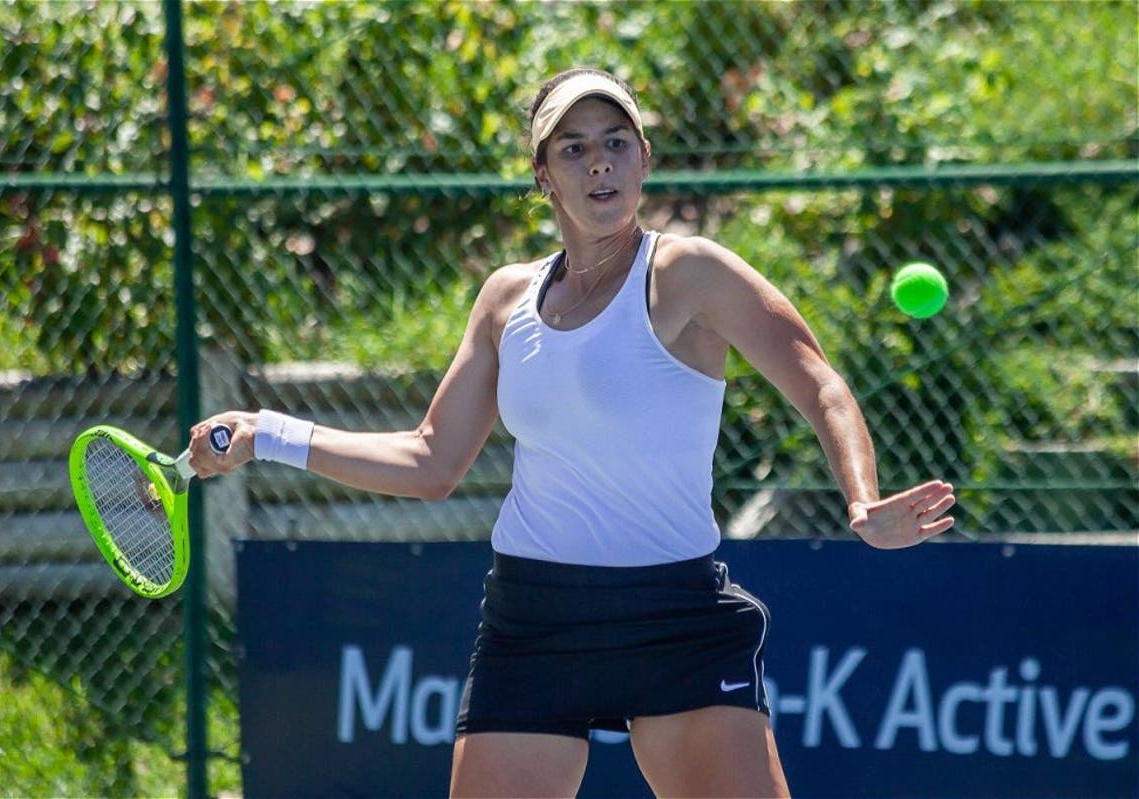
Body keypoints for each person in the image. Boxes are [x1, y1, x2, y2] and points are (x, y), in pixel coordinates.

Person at [188, 67, 956, 798]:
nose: (600, 163)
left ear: (644, 159)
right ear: (543, 175)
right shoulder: (506, 300)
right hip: (535, 619)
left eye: (616, 141)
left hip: (675, 617)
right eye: (575, 147)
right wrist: (267, 431)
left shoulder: (690, 275)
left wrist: (862, 499)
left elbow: (818, 380)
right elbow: (431, 459)